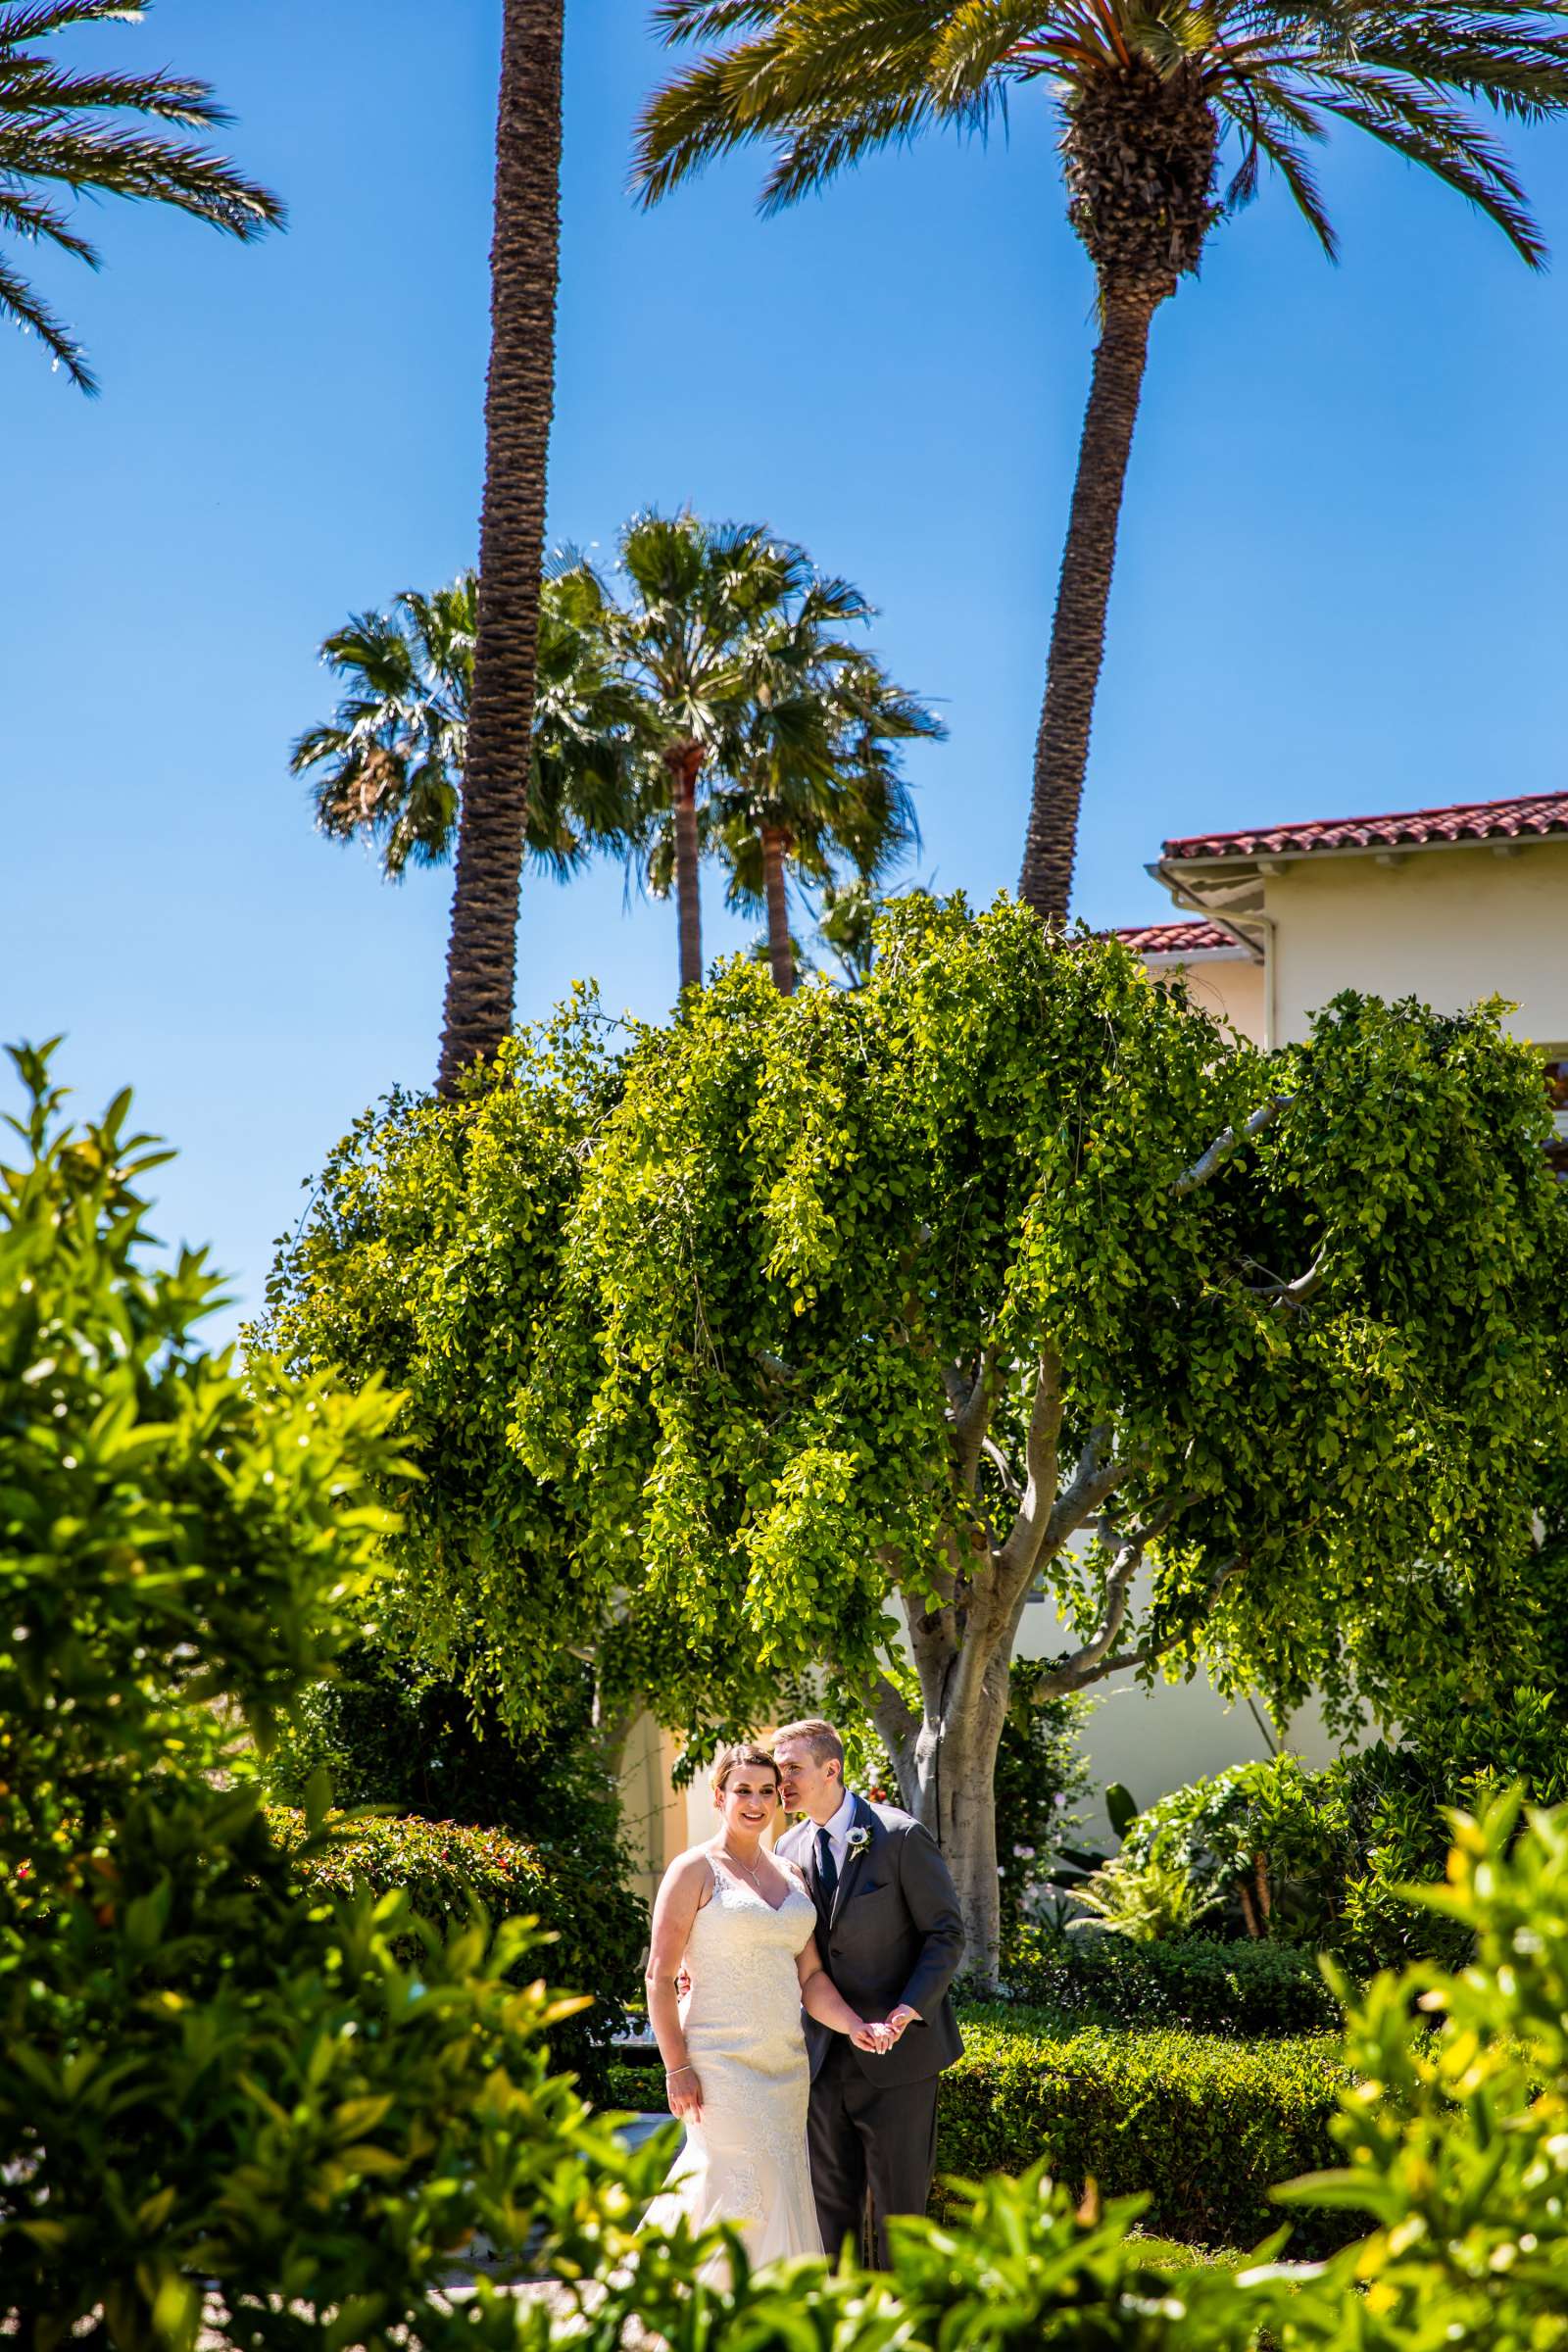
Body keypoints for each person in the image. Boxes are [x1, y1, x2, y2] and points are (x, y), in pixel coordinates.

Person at [641, 1741, 893, 2271]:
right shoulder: (693, 1871)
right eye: (742, 1791)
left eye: (766, 1791)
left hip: (785, 2065)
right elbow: (659, 1978)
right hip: (719, 2066)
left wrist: (853, 2025)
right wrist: (676, 2067)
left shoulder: (792, 1877)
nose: (756, 1802)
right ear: (719, 1796)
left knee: (782, 2189)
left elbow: (813, 1978)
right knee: (732, 2191)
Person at [773, 1718, 965, 2267]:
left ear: (830, 1769)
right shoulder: (788, 1845)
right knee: (831, 2214)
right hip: (823, 2055)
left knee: (902, 2215)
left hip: (900, 2056)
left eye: (792, 1769)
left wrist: (909, 2009)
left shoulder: (899, 1835)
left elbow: (946, 1933)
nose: (781, 1782)